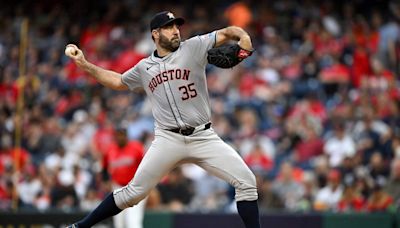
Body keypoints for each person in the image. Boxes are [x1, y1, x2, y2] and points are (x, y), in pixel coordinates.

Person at [65, 11, 260, 228]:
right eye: (169, 27)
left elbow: (227, 32)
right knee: (132, 194)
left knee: (247, 182)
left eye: (177, 26)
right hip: (168, 140)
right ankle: (81, 226)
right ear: (155, 34)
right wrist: (84, 65)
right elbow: (118, 81)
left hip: (204, 136)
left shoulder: (194, 46)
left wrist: (243, 36)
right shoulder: (144, 67)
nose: (176, 30)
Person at [103, 127, 145, 228]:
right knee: (119, 223)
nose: (120, 137)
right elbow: (104, 168)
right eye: (118, 135)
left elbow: (145, 167)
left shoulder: (137, 148)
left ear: (126, 136)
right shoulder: (110, 149)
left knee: (133, 222)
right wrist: (106, 181)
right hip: (117, 188)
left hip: (135, 187)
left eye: (122, 135)